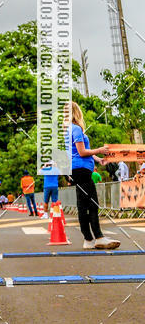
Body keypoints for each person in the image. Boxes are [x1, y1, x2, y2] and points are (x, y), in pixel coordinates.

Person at [65, 101, 119, 250]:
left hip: (77, 169)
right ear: (77, 112)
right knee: (92, 203)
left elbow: (83, 151)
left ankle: (88, 239)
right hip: (81, 170)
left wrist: (98, 159)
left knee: (83, 204)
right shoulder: (75, 129)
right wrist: (100, 150)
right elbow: (82, 152)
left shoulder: (70, 130)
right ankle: (98, 237)